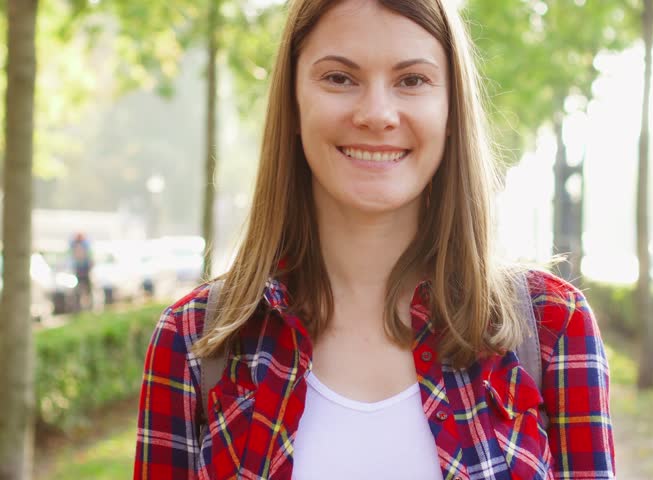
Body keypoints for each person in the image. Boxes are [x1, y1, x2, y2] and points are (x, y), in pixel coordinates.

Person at [134, 0, 615, 478]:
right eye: (340, 78)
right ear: (294, 101)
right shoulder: (194, 341)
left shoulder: (553, 328)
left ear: (451, 109)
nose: (378, 114)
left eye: (412, 80)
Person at [69, 232, 94, 310]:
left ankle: (87, 305)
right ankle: (80, 306)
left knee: (86, 289)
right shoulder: (82, 245)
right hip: (80, 269)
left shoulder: (82, 245)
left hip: (84, 269)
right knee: (80, 289)